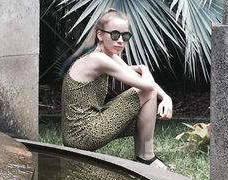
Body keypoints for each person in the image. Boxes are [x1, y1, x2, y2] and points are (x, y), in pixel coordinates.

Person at [61, 9, 173, 169]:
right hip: (83, 135)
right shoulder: (97, 59)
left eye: (125, 36)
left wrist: (167, 98)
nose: (121, 40)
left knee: (145, 114)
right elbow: (147, 86)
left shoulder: (106, 56)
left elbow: (138, 78)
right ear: (100, 35)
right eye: (115, 35)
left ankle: (144, 159)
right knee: (147, 92)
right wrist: (144, 68)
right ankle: (146, 158)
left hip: (80, 132)